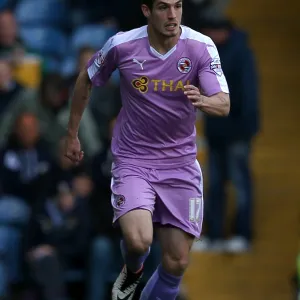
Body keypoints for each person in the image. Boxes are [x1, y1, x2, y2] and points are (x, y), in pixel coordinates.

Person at [64, 0, 230, 299]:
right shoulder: (122, 45)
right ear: (146, 11)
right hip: (134, 159)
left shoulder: (200, 46)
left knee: (177, 261)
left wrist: (203, 100)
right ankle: (133, 269)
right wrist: (72, 134)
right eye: (163, 7)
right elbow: (85, 79)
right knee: (140, 241)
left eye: (178, 6)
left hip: (180, 165)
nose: (172, 15)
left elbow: (223, 103)